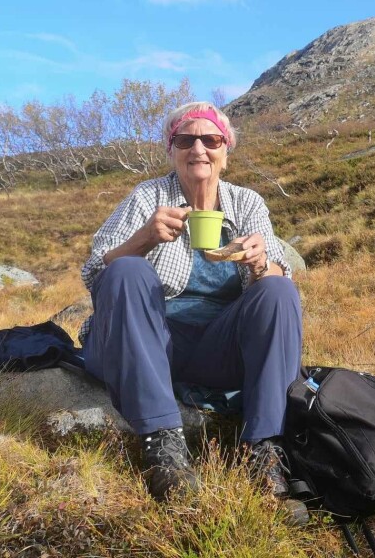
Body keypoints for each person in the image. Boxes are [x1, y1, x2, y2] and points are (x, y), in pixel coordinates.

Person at [78, 101, 305, 520]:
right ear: (171, 150)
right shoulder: (147, 197)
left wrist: (260, 263)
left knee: (278, 289)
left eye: (211, 140)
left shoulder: (247, 203)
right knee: (126, 269)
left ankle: (263, 449)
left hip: (216, 348)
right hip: (145, 342)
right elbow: (95, 273)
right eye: (186, 140)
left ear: (225, 150)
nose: (198, 148)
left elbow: (277, 273)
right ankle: (163, 445)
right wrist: (143, 240)